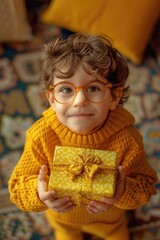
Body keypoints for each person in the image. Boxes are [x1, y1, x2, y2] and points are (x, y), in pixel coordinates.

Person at [8, 33, 157, 240]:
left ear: (114, 97)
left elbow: (146, 186)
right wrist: (39, 194)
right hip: (63, 220)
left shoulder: (127, 140)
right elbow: (17, 187)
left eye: (94, 88)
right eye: (66, 89)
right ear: (52, 98)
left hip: (109, 221)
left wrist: (121, 191)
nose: (79, 100)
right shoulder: (41, 135)